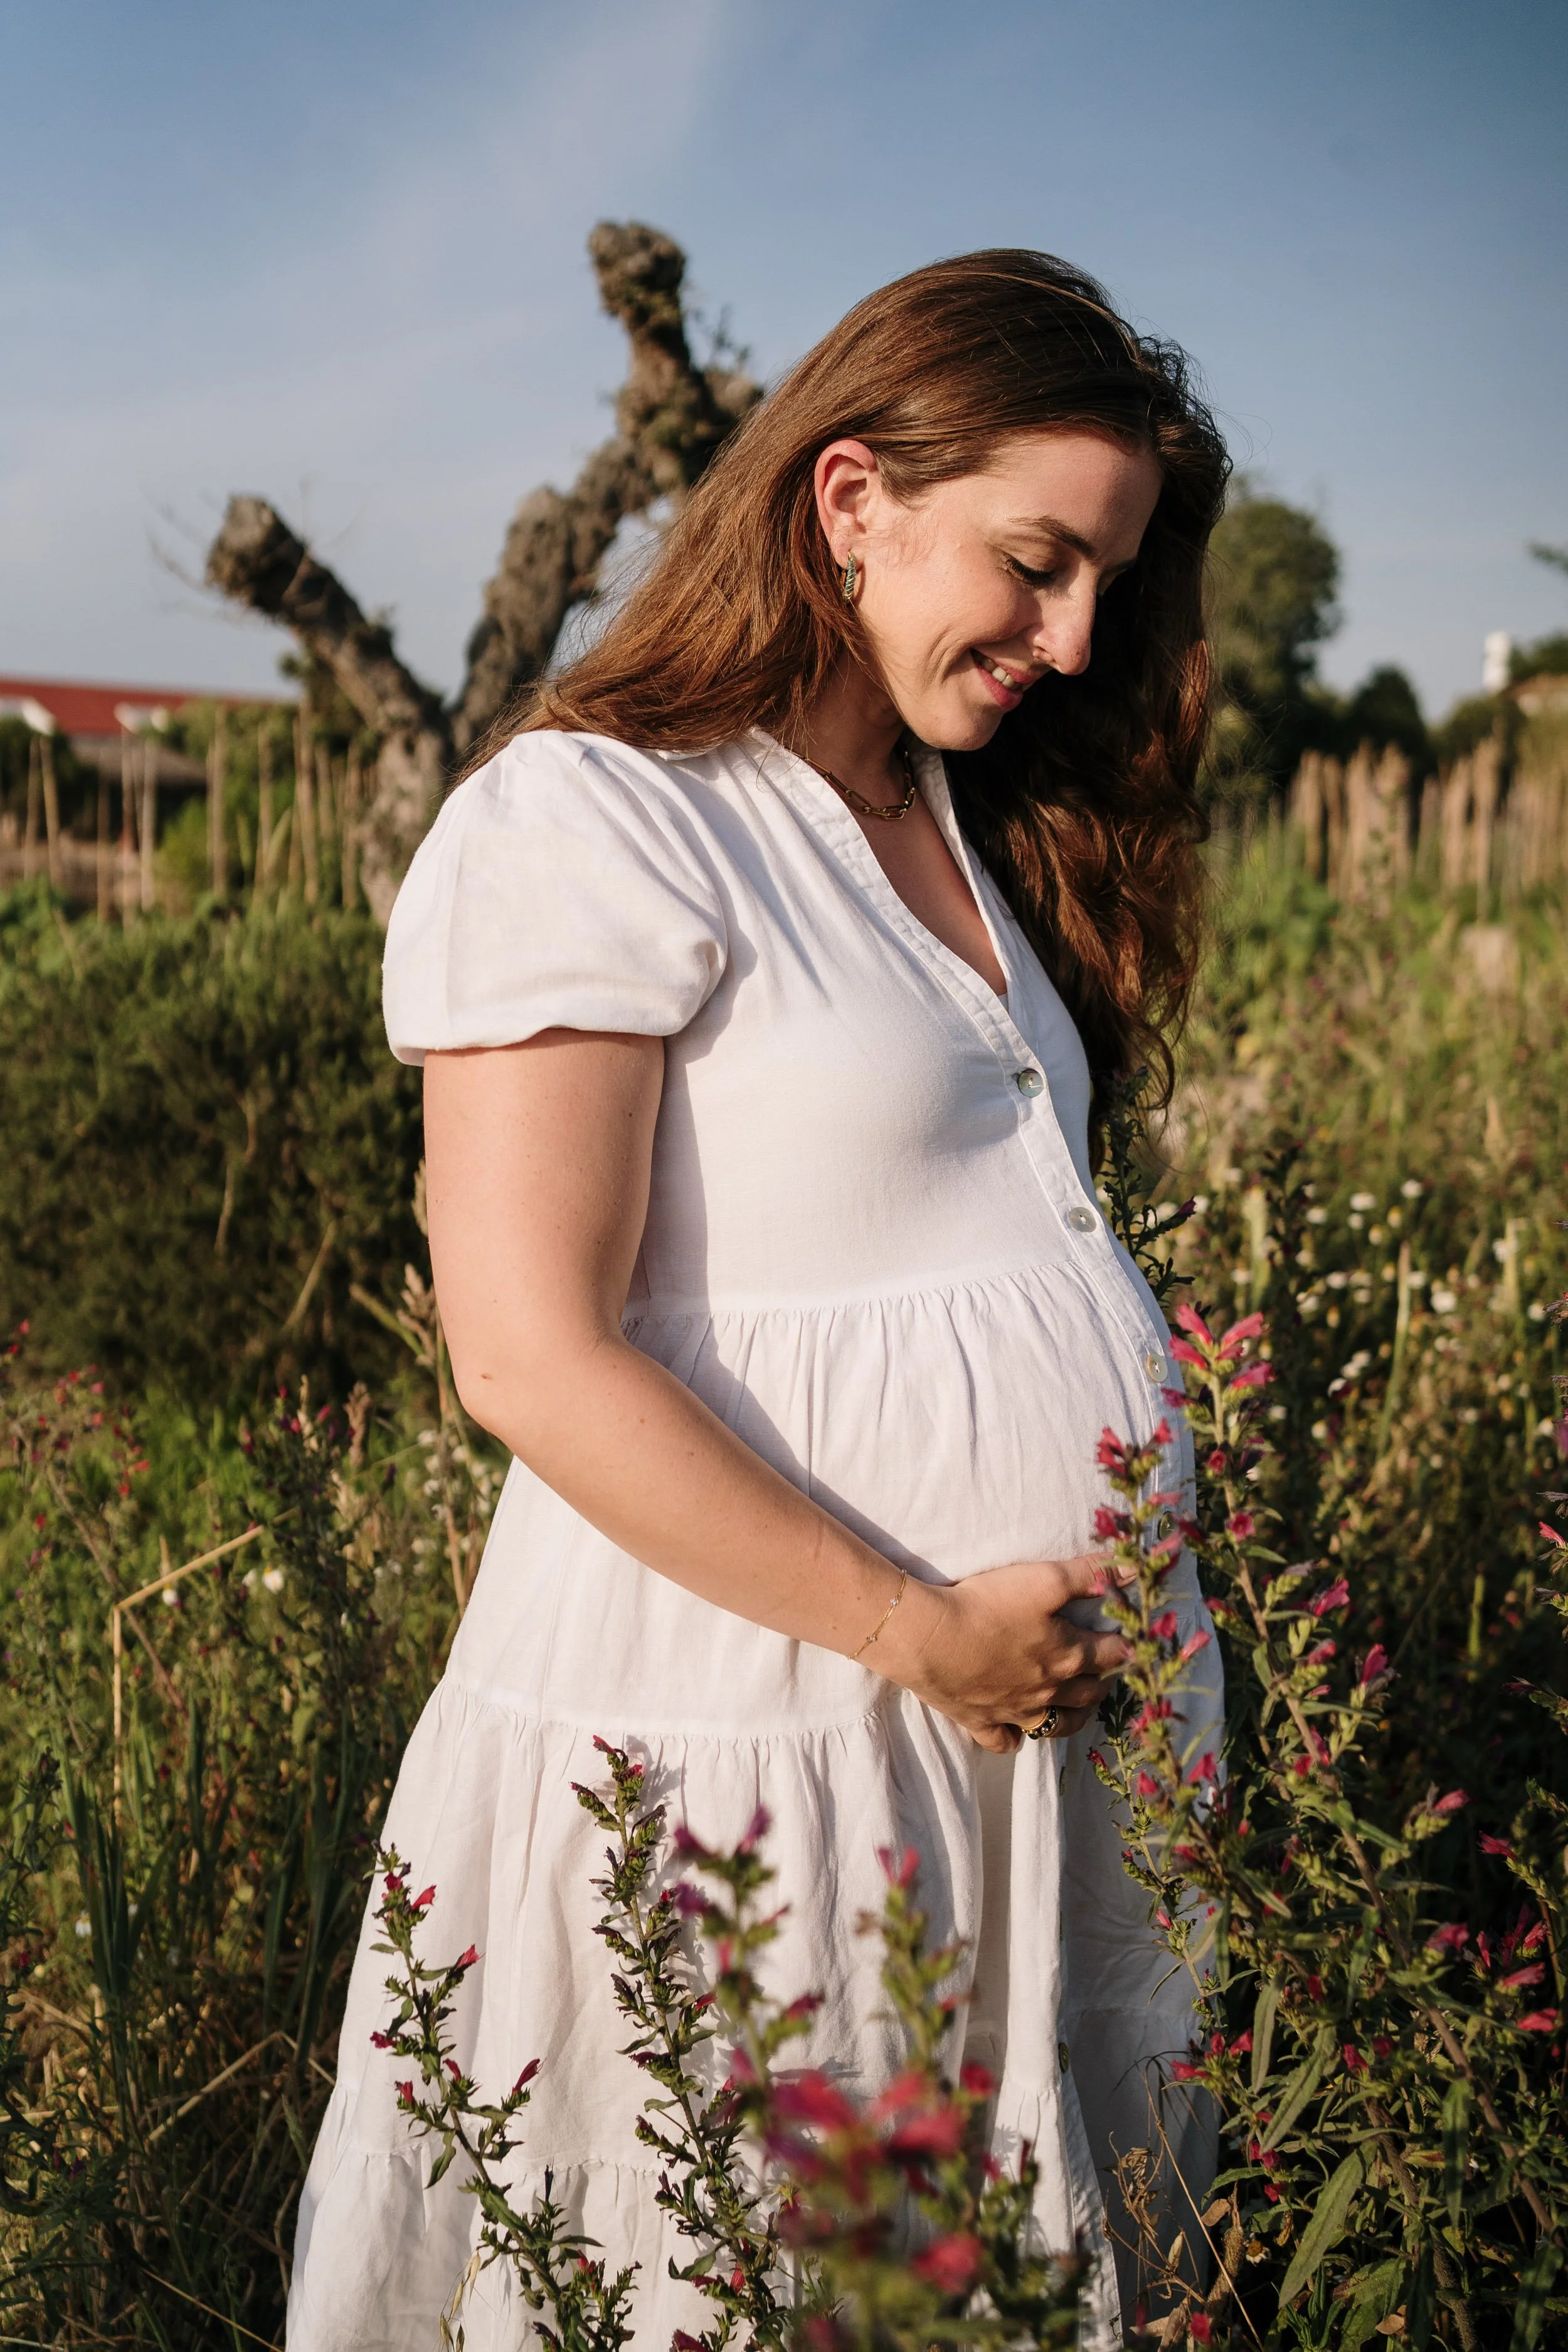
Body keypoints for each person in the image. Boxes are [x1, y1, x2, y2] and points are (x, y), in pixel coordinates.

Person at [288, 248, 1229, 2351]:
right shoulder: (602, 818)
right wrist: (924, 1631)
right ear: (846, 502)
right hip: (766, 1745)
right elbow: (524, 1350)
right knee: (735, 2271)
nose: (1071, 634)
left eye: (1106, 577)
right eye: (1033, 558)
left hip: (1021, 1749)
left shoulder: (948, 818)